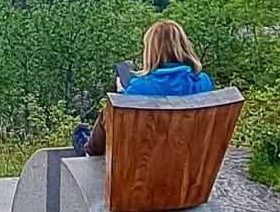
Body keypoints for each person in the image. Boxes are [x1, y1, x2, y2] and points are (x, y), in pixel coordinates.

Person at [74, 19, 214, 154]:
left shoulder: (139, 88)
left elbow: (123, 121)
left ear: (151, 52)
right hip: (189, 160)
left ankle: (89, 150)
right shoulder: (203, 82)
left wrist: (122, 95)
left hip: (147, 162)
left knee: (108, 111)